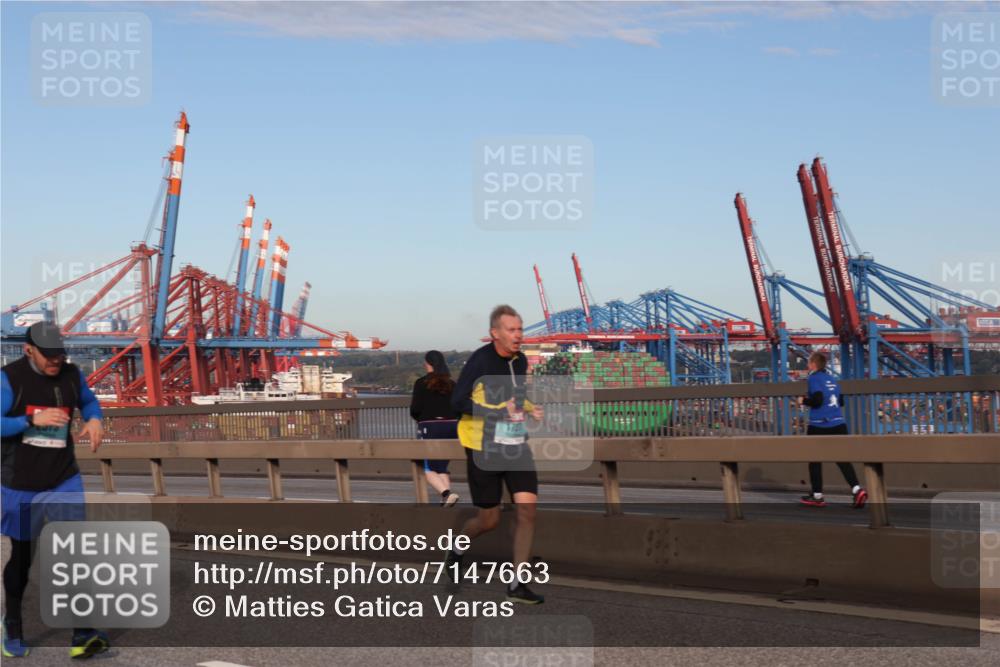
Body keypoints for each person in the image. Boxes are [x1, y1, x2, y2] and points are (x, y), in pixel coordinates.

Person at [1, 322, 110, 659]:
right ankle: (13, 624)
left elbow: (89, 402)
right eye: (48, 355)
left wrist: (94, 419)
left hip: (63, 478)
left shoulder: (72, 375)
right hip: (20, 484)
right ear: (28, 350)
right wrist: (30, 421)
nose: (55, 361)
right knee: (23, 556)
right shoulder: (9, 379)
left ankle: (83, 632)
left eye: (59, 354)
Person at [445, 305, 545, 604]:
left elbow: (515, 397)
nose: (518, 335)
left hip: (515, 443)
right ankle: (458, 548)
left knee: (527, 510)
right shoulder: (480, 361)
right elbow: (457, 402)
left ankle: (517, 584)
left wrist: (530, 409)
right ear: (495, 333)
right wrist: (498, 411)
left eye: (520, 329)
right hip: (483, 445)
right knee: (489, 520)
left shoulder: (520, 360)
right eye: (511, 330)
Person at [799, 351, 867, 509]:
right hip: (839, 424)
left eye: (809, 362)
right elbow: (841, 401)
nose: (807, 365)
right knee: (842, 459)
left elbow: (817, 400)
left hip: (819, 424)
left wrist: (803, 400)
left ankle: (817, 496)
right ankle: (857, 490)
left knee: (814, 460)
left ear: (814, 364)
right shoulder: (832, 379)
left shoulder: (813, 378)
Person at [410, 350, 460, 507]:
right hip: (452, 426)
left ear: (428, 364)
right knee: (441, 466)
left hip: (430, 427)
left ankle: (446, 493)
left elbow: (415, 409)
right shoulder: (452, 384)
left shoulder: (421, 383)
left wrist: (420, 419)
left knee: (428, 468)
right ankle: (446, 501)